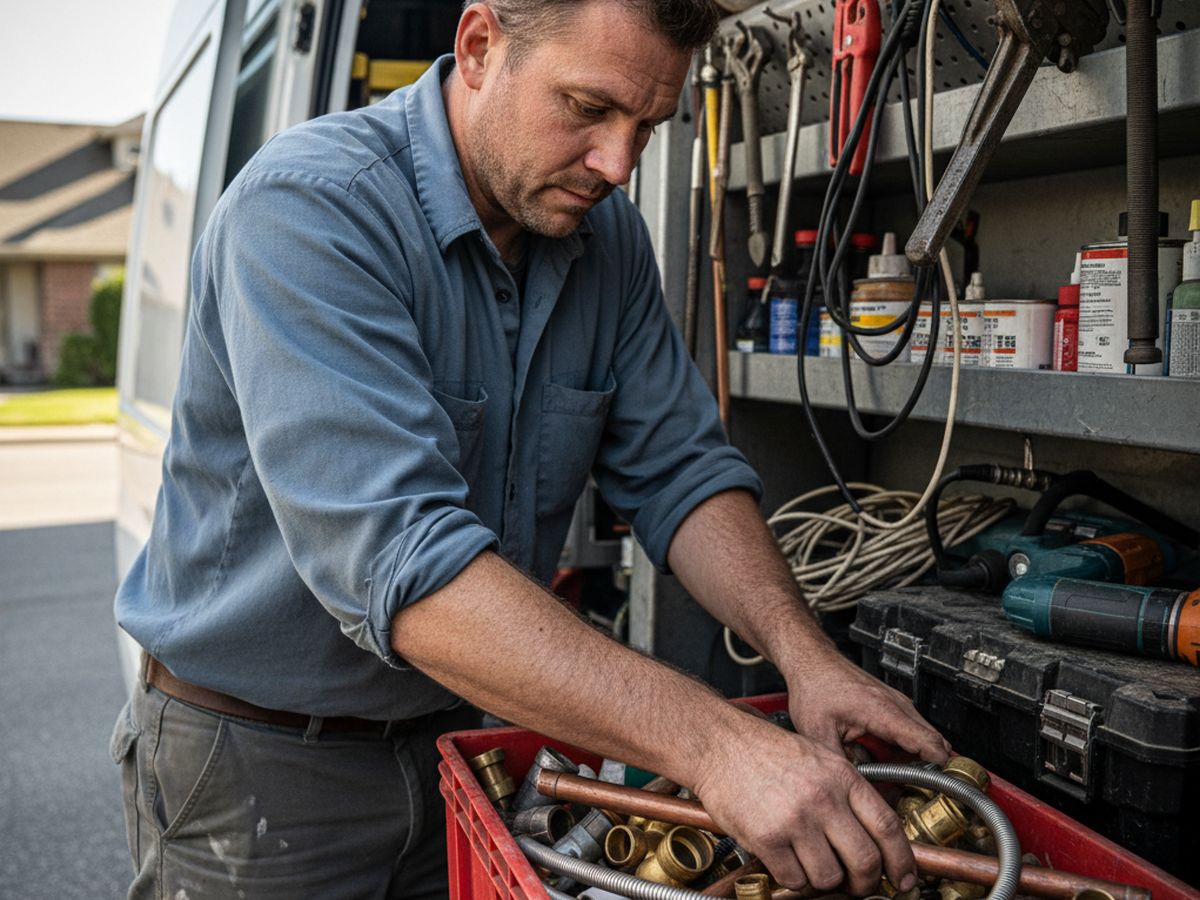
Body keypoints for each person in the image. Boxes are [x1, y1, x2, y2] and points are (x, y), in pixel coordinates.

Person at [111, 1, 950, 897]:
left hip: (465, 750)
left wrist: (805, 654)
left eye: (648, 127)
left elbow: (682, 472)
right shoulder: (312, 211)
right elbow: (406, 568)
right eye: (589, 109)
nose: (618, 165)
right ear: (479, 47)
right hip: (261, 776)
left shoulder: (605, 240)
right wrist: (716, 745)